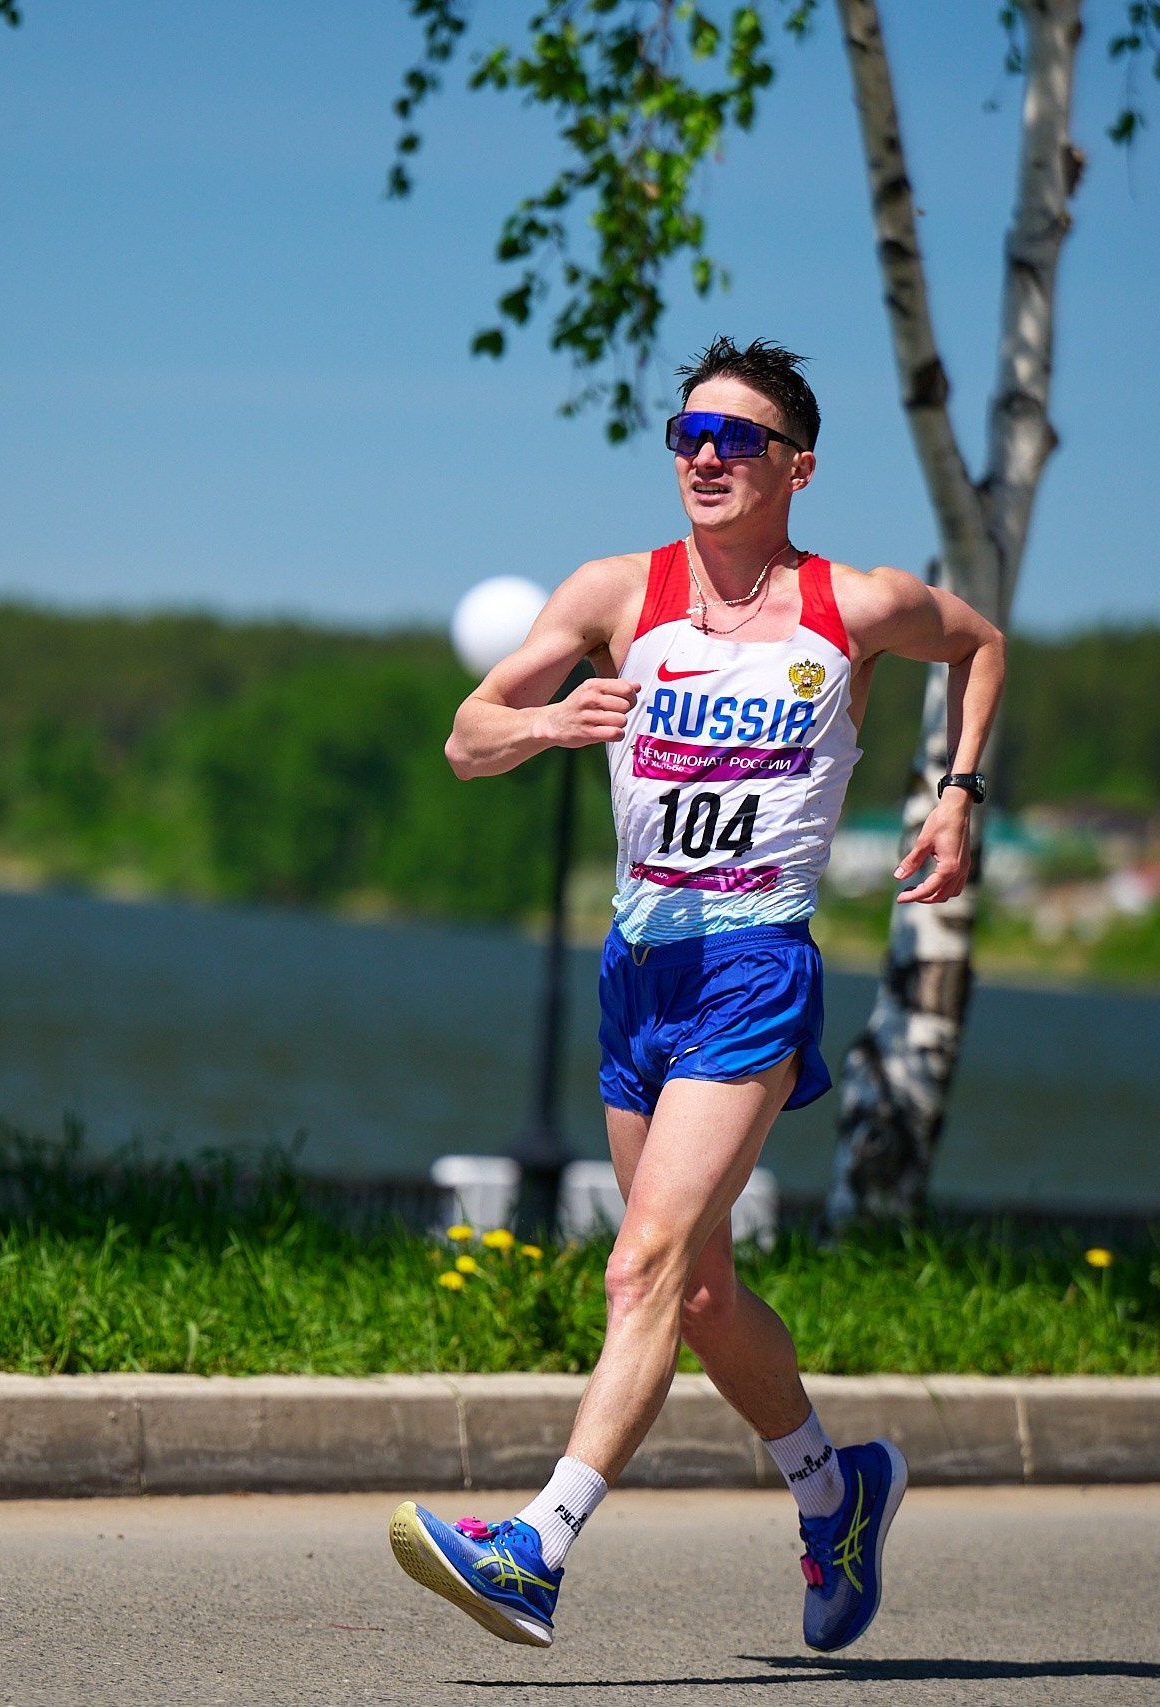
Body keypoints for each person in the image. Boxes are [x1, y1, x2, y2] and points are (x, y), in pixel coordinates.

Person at [389, 337, 1005, 1654]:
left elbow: (982, 643)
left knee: (643, 1262)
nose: (707, 457)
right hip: (641, 968)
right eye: (688, 437)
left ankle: (536, 1548)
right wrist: (555, 723)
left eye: (736, 440)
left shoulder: (857, 604)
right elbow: (467, 734)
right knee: (706, 1296)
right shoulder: (620, 591)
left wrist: (958, 798)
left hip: (753, 966)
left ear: (798, 468)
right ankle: (836, 1499)